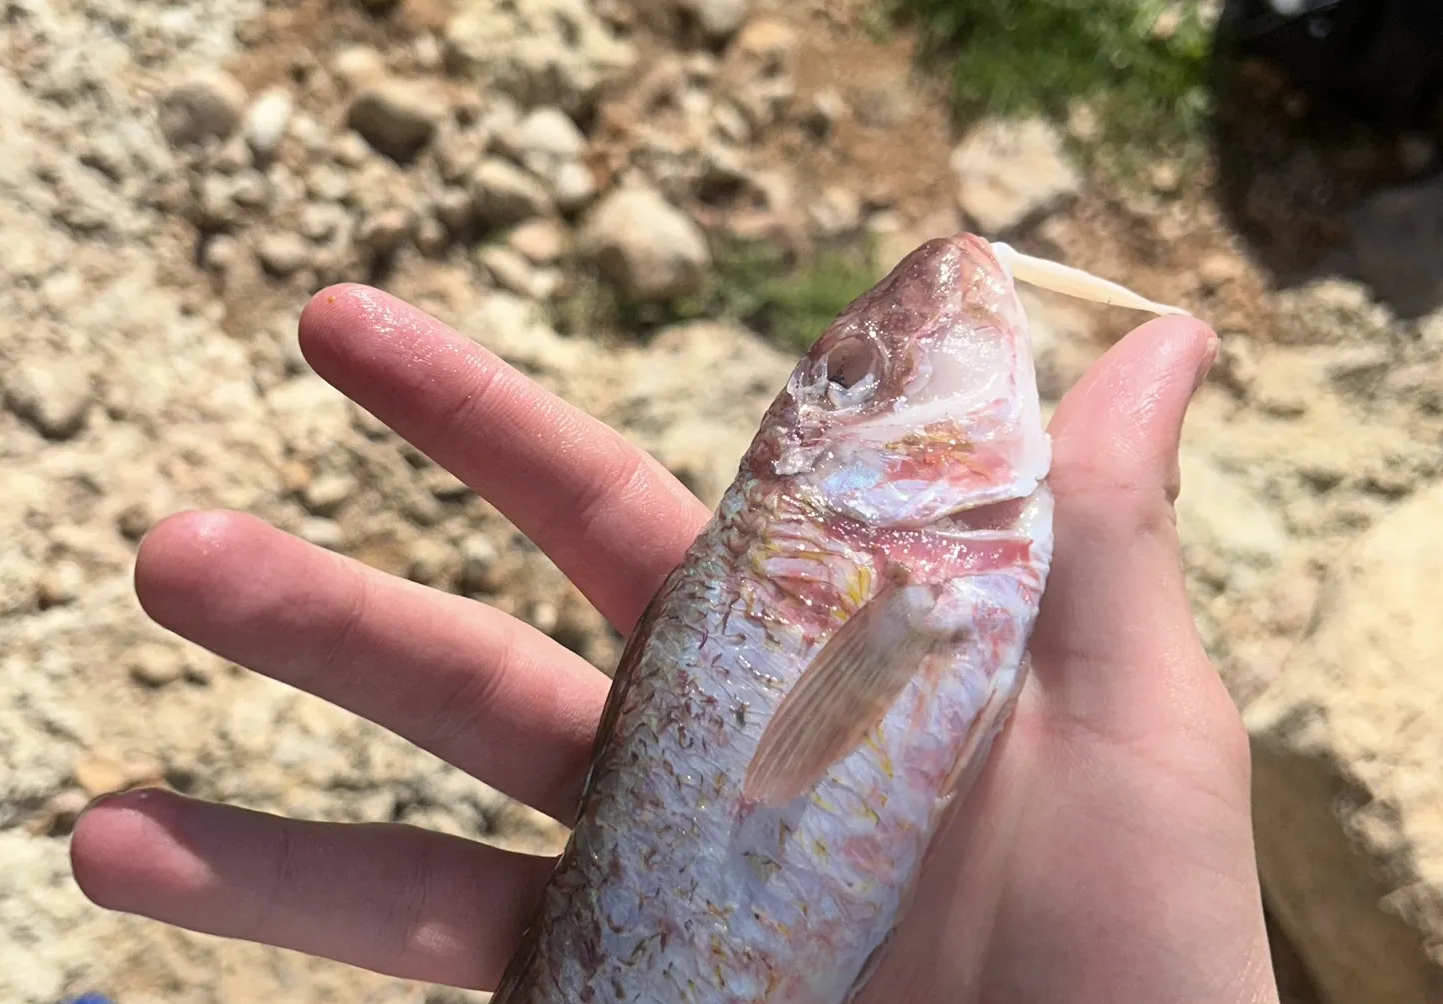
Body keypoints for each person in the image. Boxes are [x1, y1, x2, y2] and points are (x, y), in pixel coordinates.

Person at [70, 282, 1280, 1003]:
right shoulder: (914, 588)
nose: (890, 346)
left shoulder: (921, 587)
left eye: (845, 374)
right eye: (858, 375)